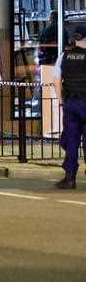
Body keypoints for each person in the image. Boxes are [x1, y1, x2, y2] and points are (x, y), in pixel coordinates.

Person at [53, 24, 86, 189]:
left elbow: (56, 80)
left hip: (71, 103)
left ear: (75, 38)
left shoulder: (64, 56)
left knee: (71, 141)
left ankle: (70, 178)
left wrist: (60, 99)